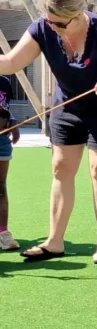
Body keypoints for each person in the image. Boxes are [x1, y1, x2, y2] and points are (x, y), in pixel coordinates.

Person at [0, 0, 97, 263]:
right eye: (49, 21)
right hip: (67, 106)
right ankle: (54, 241)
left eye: (60, 24)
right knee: (61, 169)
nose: (53, 27)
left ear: (79, 14)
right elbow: (10, 63)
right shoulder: (42, 27)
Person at [0, 75, 20, 251]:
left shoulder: (4, 82)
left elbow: (5, 108)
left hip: (2, 141)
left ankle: (3, 233)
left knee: (0, 187)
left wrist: (12, 121)